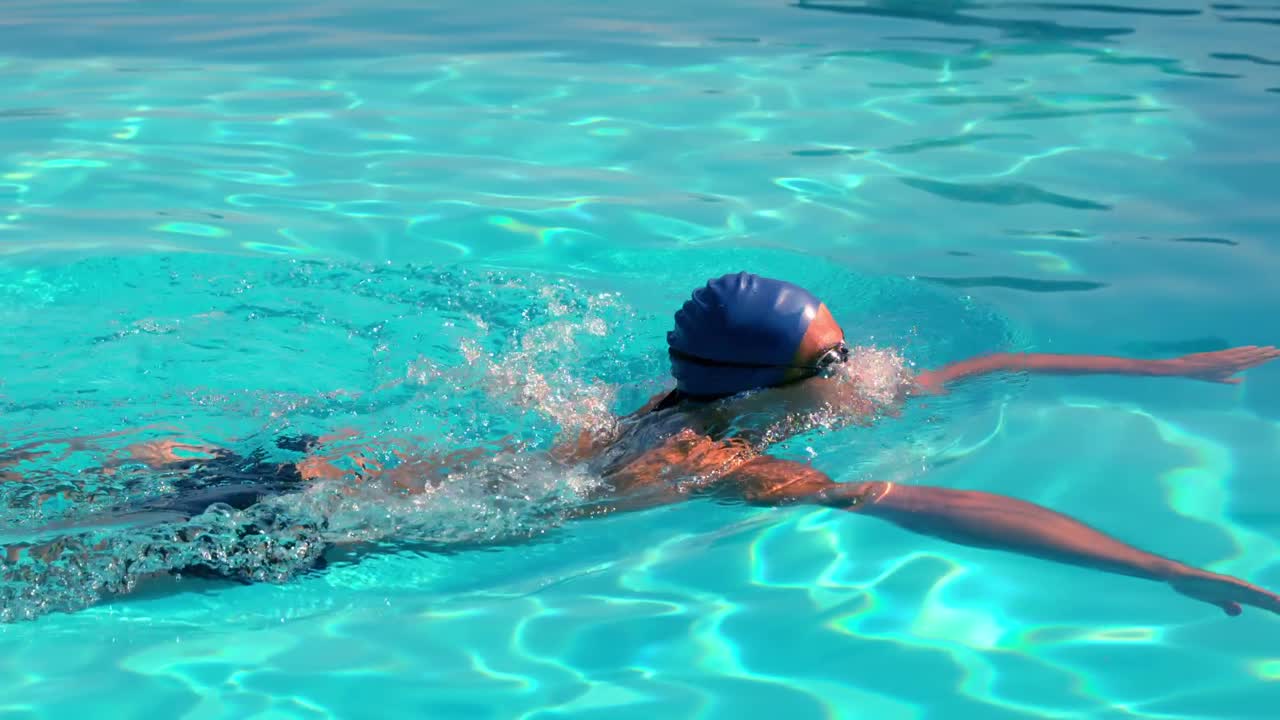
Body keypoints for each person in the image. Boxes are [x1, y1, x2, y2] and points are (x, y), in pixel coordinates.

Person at [14, 272, 1280, 617]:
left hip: (293, 466)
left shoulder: (667, 403)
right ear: (773, 389)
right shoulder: (714, 464)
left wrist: (1169, 368)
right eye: (838, 361)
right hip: (295, 532)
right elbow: (923, 509)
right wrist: (1159, 568)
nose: (875, 372)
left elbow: (980, 366)